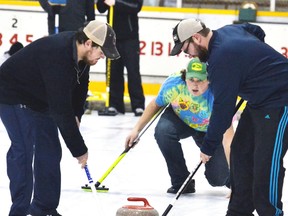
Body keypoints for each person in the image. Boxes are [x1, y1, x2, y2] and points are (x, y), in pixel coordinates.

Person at [170, 18, 288, 215]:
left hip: (280, 100)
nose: (187, 55)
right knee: (240, 154)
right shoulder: (228, 31)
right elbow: (255, 30)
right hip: (258, 101)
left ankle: (271, 212)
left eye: (185, 49)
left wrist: (208, 146)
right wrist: (253, 64)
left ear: (196, 38)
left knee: (265, 163)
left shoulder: (221, 59)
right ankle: (238, 211)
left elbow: (223, 109)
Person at [0, 20, 119, 216]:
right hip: (12, 94)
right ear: (89, 43)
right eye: (102, 51)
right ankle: (18, 211)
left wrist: (77, 114)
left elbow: (80, 87)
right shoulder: (57, 55)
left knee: (50, 150)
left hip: (39, 97)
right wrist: (79, 149)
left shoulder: (83, 55)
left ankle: (43, 209)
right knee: (23, 149)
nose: (103, 56)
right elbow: (60, 110)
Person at [126, 58, 233, 194]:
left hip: (210, 130)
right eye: (191, 79)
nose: (195, 85)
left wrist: (235, 180)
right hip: (181, 120)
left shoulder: (219, 93)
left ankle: (234, 179)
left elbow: (228, 138)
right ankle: (181, 181)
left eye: (200, 80)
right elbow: (155, 104)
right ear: (185, 77)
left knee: (218, 178)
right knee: (163, 131)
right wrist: (136, 129)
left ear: (209, 79)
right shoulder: (174, 83)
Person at [97, 0, 146, 116]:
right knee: (114, 71)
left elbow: (136, 6)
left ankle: (138, 105)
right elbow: (100, 8)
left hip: (130, 38)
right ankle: (115, 105)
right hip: (112, 37)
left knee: (133, 71)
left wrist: (116, 3)